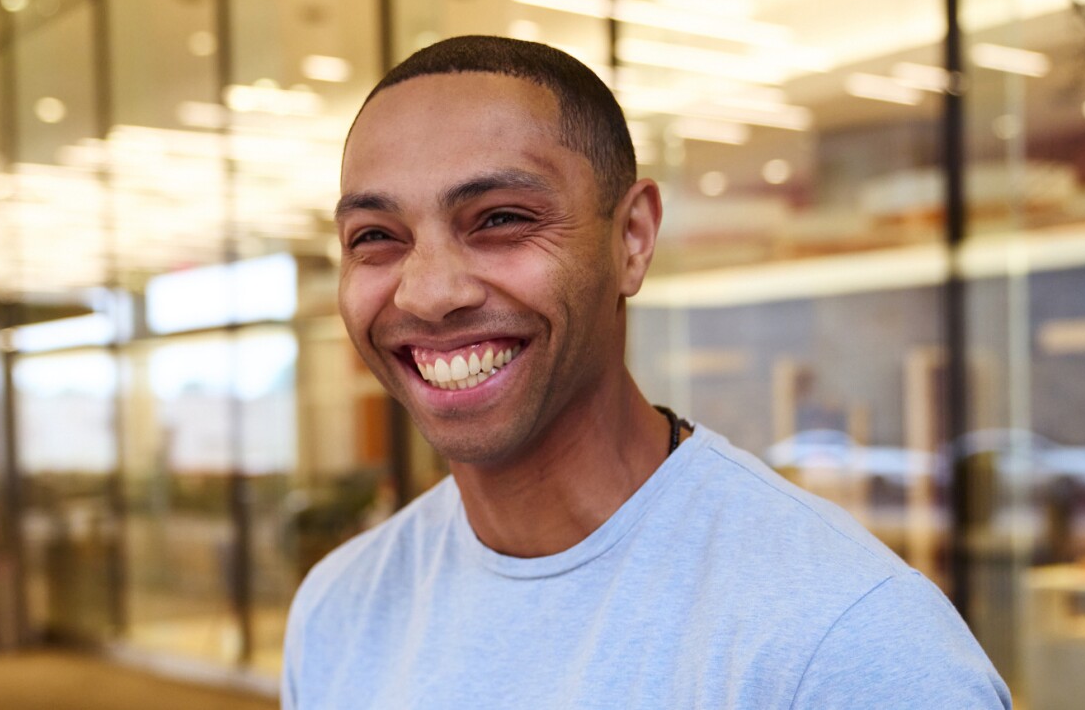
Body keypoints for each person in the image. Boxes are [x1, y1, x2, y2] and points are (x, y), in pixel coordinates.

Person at [282, 35, 1011, 709]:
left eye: (500, 218)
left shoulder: (846, 642)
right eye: (375, 237)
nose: (430, 292)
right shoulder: (338, 608)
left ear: (631, 239)